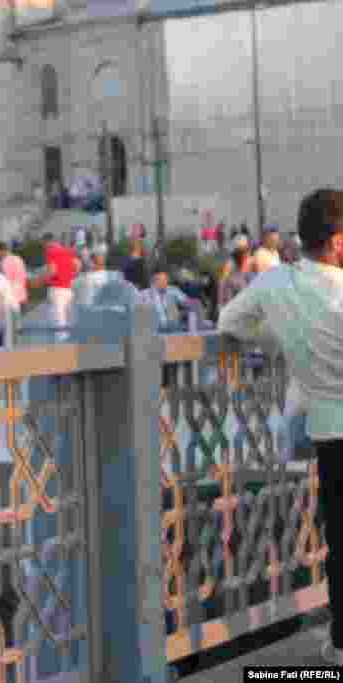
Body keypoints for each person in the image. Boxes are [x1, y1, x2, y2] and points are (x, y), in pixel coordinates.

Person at [217, 188, 343, 666]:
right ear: (337, 243)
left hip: (330, 432)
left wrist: (283, 337)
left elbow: (229, 321)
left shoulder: (276, 286)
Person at [29, 232, 79, 335]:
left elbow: (52, 271)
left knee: (58, 322)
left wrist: (40, 281)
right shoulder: (68, 251)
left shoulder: (51, 252)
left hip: (57, 290)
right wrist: (69, 275)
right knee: (68, 320)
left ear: (48, 242)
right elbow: (77, 265)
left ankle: (61, 346)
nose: (44, 248)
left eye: (44, 245)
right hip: (69, 289)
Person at [141, 265, 194, 333]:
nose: (165, 283)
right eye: (161, 280)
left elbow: (189, 304)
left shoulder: (173, 291)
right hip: (154, 328)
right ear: (153, 281)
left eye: (165, 280)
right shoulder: (144, 294)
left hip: (173, 327)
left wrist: (181, 313)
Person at [218, 239, 255, 309]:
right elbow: (222, 284)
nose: (248, 255)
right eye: (245, 252)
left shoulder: (247, 268)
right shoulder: (230, 266)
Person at [0, 241, 27, 314]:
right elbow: (24, 277)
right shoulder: (18, 259)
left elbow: (4, 281)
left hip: (11, 298)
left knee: (11, 323)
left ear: (1, 251)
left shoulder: (4, 262)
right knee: (18, 322)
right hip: (21, 296)